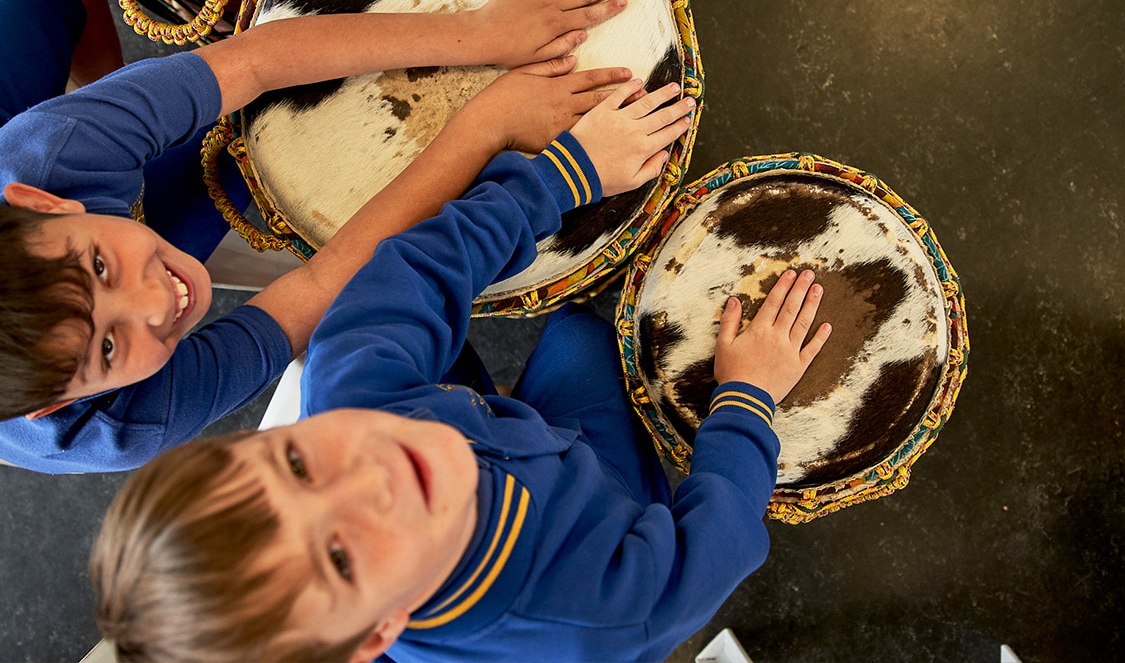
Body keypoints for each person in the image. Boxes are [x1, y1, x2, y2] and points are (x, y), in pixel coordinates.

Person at [88, 78, 833, 662]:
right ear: (380, 635)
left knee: (577, 330)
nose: (367, 475)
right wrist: (745, 398)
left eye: (296, 463)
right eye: (341, 557)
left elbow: (421, 266)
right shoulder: (593, 616)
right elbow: (721, 538)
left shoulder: (353, 394)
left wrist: (563, 175)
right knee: (591, 349)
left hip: (509, 434)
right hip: (600, 505)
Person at [0, 0, 634, 472]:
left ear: (40, 201)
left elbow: (252, 61)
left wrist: (486, 30)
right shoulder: (118, 426)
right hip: (80, 188)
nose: (153, 301)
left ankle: (117, 106)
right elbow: (320, 286)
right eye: (109, 346)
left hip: (57, 152)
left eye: (103, 266)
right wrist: (482, 127)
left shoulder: (48, 152)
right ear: (58, 404)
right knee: (229, 164)